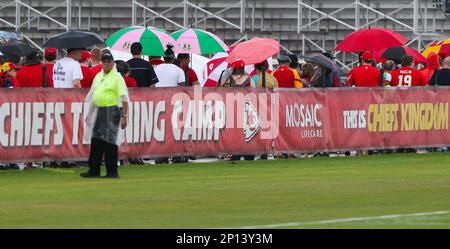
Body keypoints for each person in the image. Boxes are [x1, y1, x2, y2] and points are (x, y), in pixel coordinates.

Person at [80, 52, 129, 178]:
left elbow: (124, 99)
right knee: (96, 140)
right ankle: (94, 169)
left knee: (110, 142)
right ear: (101, 62)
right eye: (104, 61)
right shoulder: (98, 76)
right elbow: (93, 95)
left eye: (108, 61)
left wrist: (124, 117)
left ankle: (112, 171)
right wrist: (89, 114)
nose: (106, 64)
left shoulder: (117, 78)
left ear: (113, 63)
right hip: (100, 110)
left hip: (112, 111)